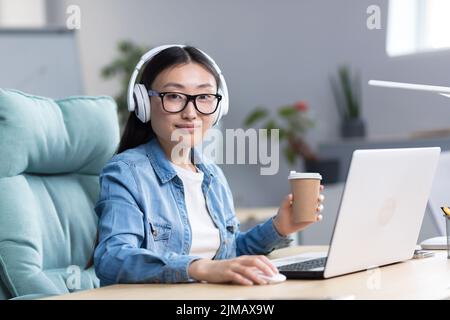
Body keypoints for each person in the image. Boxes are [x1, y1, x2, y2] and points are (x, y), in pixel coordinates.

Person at [94, 45, 324, 286]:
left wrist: (280, 227)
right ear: (143, 103)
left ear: (218, 107)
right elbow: (112, 258)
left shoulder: (211, 174)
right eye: (174, 96)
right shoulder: (127, 172)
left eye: (204, 97)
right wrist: (199, 268)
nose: (191, 113)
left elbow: (228, 252)